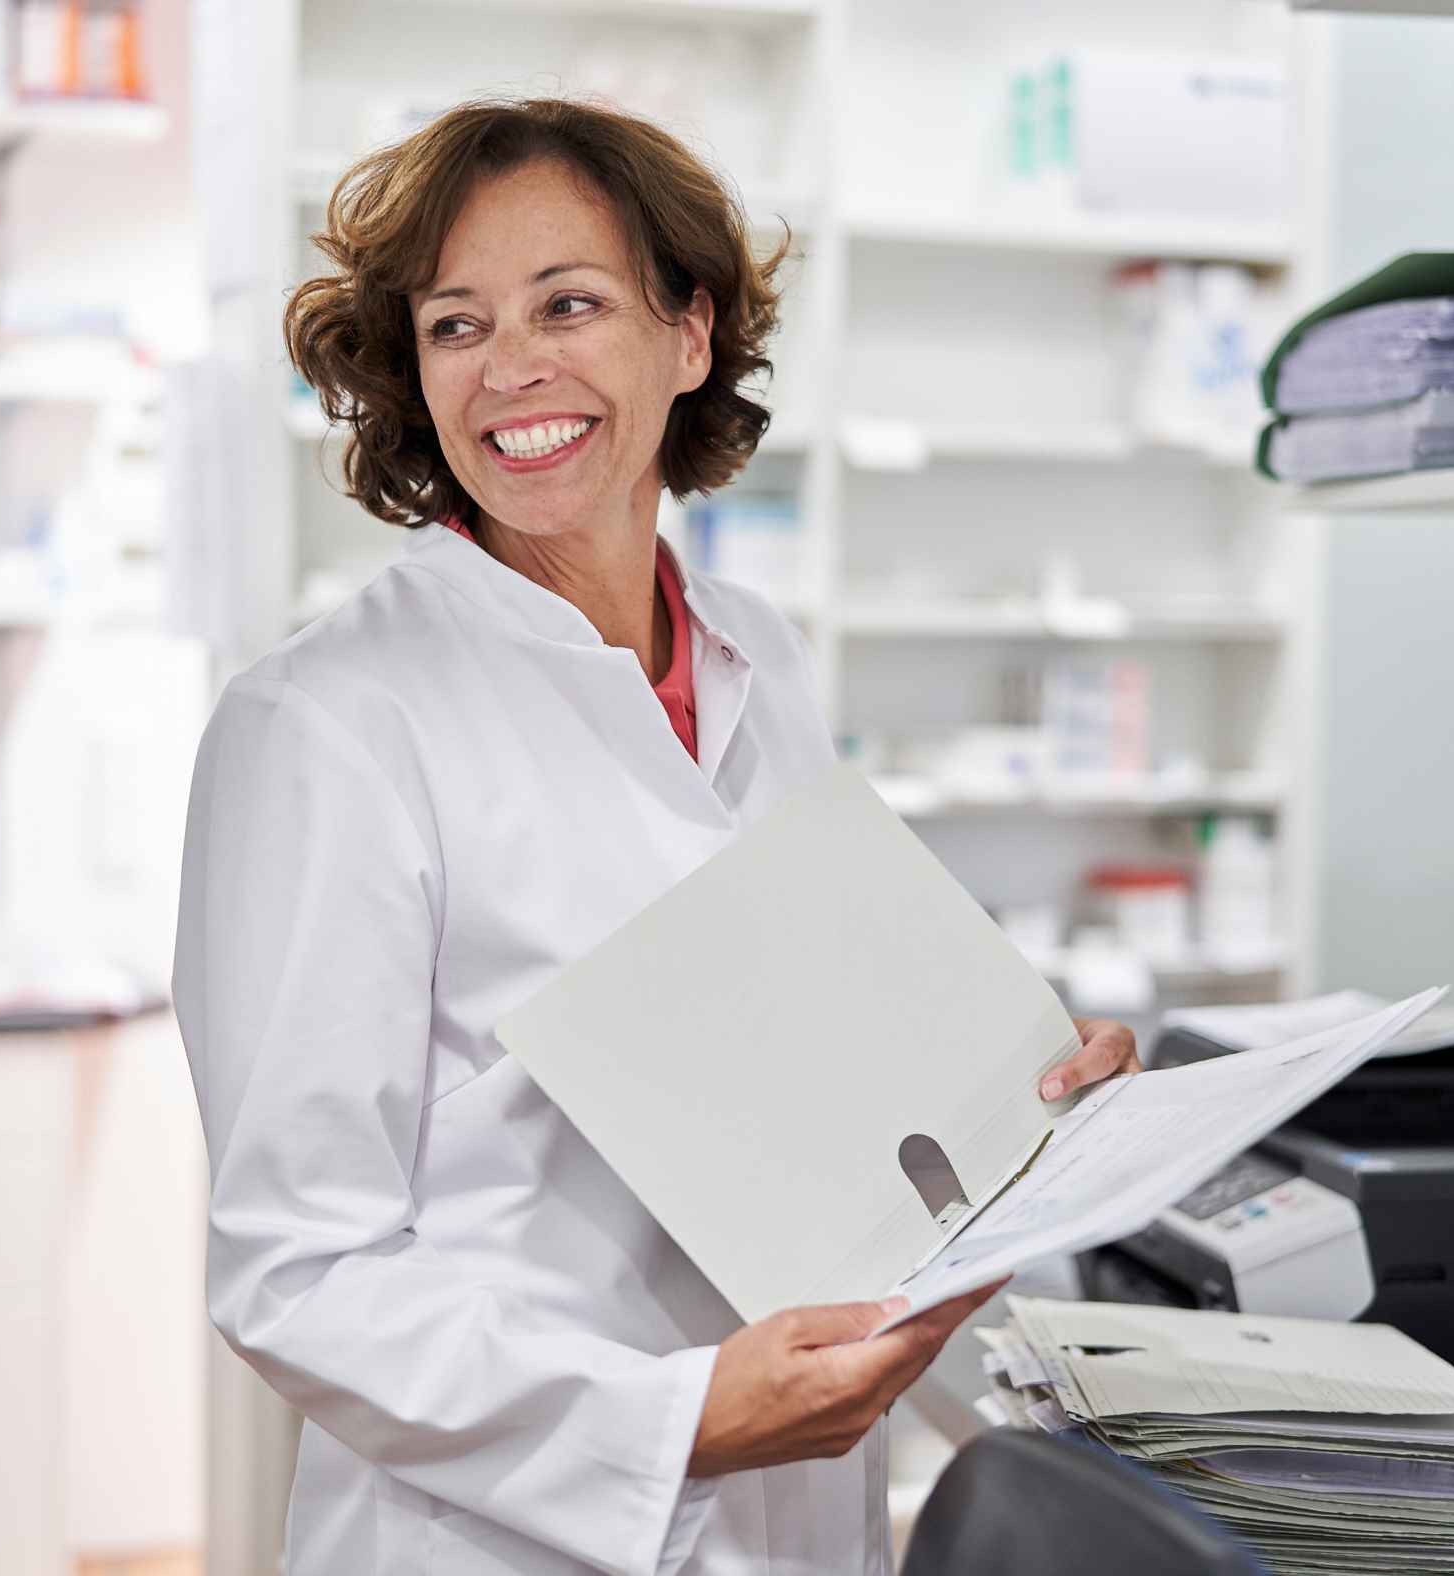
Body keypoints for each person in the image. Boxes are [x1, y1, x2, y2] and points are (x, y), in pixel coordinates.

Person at [172, 96, 1140, 1575]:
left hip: (800, 1512)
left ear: (688, 336)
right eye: (455, 325)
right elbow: (299, 1269)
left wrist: (1026, 1100)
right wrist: (672, 1420)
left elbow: (824, 1058)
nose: (512, 371)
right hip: (494, 1536)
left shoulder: (760, 654)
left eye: (570, 303)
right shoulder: (326, 724)